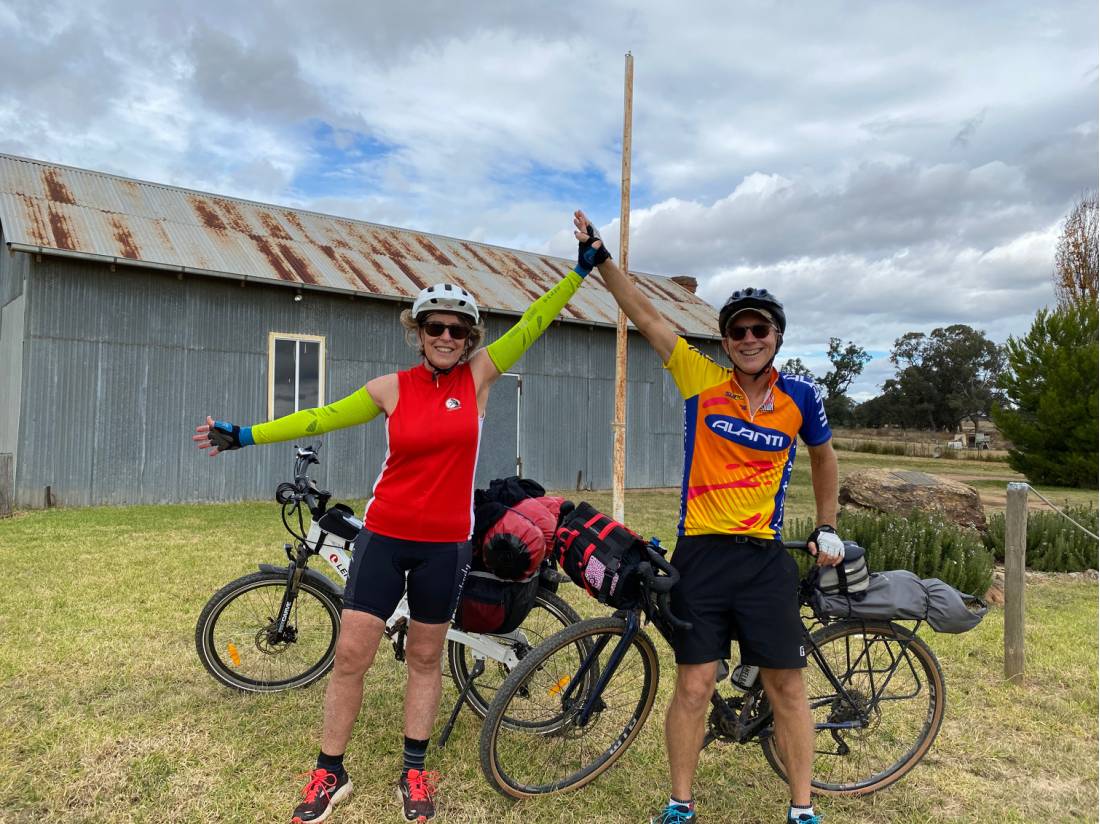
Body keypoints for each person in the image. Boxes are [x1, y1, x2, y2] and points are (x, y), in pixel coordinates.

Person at [193, 248, 599, 823]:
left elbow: (534, 323)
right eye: (435, 326)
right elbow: (319, 418)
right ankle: (330, 772)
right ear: (419, 331)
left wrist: (579, 271)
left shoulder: (479, 377)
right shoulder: (391, 387)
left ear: (469, 338)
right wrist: (246, 434)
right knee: (352, 655)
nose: (446, 336)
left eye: (458, 330)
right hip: (384, 537)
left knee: (426, 658)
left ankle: (414, 768)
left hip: (446, 545)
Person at [571, 210, 845, 824]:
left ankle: (803, 809)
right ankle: (680, 802)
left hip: (763, 558)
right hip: (699, 555)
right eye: (738, 331)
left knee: (788, 687)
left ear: (777, 337)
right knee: (694, 686)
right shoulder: (701, 379)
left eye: (761, 330)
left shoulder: (799, 398)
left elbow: (825, 459)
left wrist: (827, 524)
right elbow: (646, 316)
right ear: (725, 341)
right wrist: (603, 261)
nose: (749, 338)